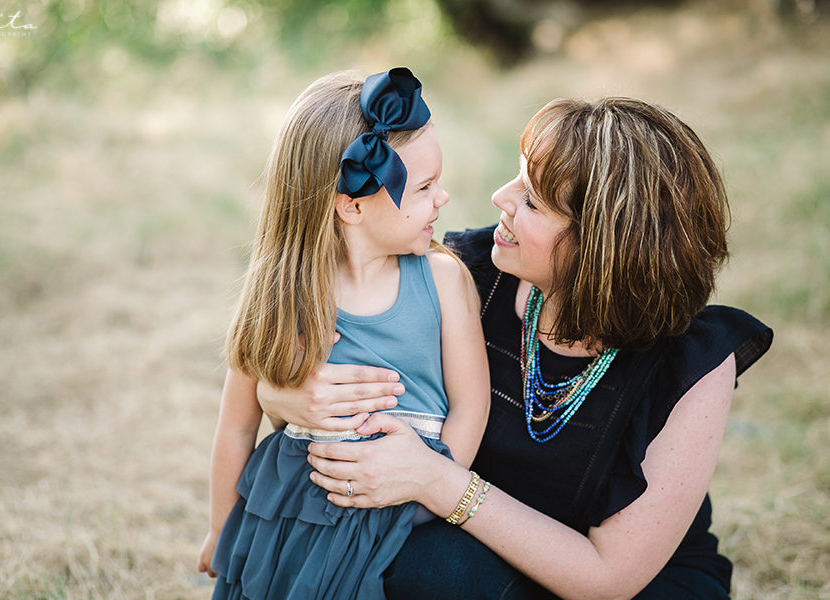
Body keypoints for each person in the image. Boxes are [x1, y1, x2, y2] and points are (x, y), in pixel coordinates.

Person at [259, 97, 773, 599]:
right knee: (420, 563)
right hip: (476, 560)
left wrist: (438, 482)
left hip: (619, 586)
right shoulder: (461, 277)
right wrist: (281, 397)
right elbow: (324, 369)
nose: (500, 197)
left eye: (532, 201)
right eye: (518, 177)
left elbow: (608, 579)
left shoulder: (692, 362)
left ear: (603, 247)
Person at [196, 67, 489, 600]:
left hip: (400, 501)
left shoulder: (443, 280)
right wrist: (221, 528)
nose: (442, 198)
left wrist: (434, 491)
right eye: (424, 188)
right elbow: (237, 426)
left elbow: (472, 406)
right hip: (288, 510)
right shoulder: (285, 293)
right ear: (351, 206)